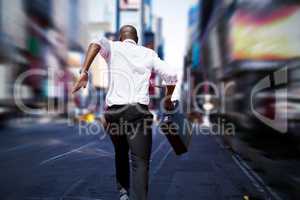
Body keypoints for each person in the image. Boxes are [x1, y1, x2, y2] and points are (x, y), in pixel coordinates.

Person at [72, 25, 177, 200]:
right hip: (137, 113)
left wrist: (84, 72)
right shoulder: (148, 54)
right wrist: (168, 98)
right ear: (137, 40)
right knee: (140, 162)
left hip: (114, 114)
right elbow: (172, 76)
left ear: (121, 38)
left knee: (120, 151)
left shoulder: (112, 47)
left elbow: (95, 42)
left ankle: (123, 192)